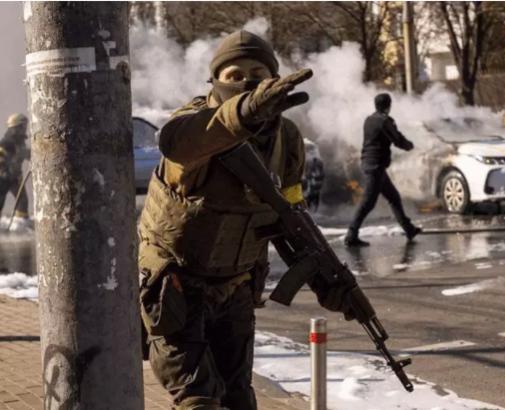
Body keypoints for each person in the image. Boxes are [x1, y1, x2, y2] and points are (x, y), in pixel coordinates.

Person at [138, 30, 351, 410]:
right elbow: (177, 144)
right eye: (234, 75)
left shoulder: (286, 139)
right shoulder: (193, 124)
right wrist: (243, 113)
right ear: (214, 80)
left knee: (238, 397)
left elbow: (291, 214)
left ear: (273, 79)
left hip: (235, 287)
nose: (246, 82)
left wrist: (327, 280)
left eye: (257, 73)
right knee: (199, 399)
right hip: (176, 289)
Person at [345, 93, 421, 247]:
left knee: (394, 197)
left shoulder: (369, 120)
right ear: (388, 105)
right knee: (368, 202)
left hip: (371, 164)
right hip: (375, 167)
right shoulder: (384, 121)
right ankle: (351, 235)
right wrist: (410, 145)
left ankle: (409, 229)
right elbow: (397, 139)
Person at [0, 113, 30, 220]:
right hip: (3, 178)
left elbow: (25, 154)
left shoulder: (20, 142)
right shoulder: (6, 143)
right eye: (23, 126)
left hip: (15, 178)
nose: (25, 129)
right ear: (16, 127)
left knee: (22, 201)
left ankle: (21, 223)